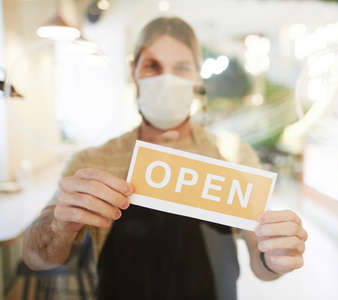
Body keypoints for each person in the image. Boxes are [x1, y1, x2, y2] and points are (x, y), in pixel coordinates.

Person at [22, 17, 308, 300]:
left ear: (197, 77)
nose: (166, 80)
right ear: (133, 71)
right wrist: (59, 226)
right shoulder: (93, 162)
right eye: (152, 66)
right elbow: (36, 257)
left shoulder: (233, 156)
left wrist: (276, 255)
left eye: (181, 68)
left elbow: (261, 262)